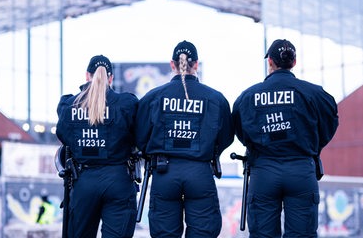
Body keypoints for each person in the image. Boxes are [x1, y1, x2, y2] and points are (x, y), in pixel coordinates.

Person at [232, 39, 339, 237]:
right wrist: (312, 147)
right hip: (301, 170)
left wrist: (258, 146)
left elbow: (239, 128)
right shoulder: (314, 94)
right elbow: (330, 121)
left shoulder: (248, 96)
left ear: (269, 62)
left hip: (263, 171)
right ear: (294, 62)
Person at [135, 40, 234, 237]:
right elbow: (226, 136)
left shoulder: (153, 97)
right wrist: (209, 151)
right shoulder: (216, 99)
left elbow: (140, 135)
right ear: (196, 64)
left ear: (172, 64)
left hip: (164, 173)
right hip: (200, 171)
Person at [56, 55, 139, 238]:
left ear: (87, 75)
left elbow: (63, 136)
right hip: (119, 179)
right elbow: (138, 137)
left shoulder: (68, 105)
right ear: (111, 78)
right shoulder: (127, 103)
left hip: (83, 180)